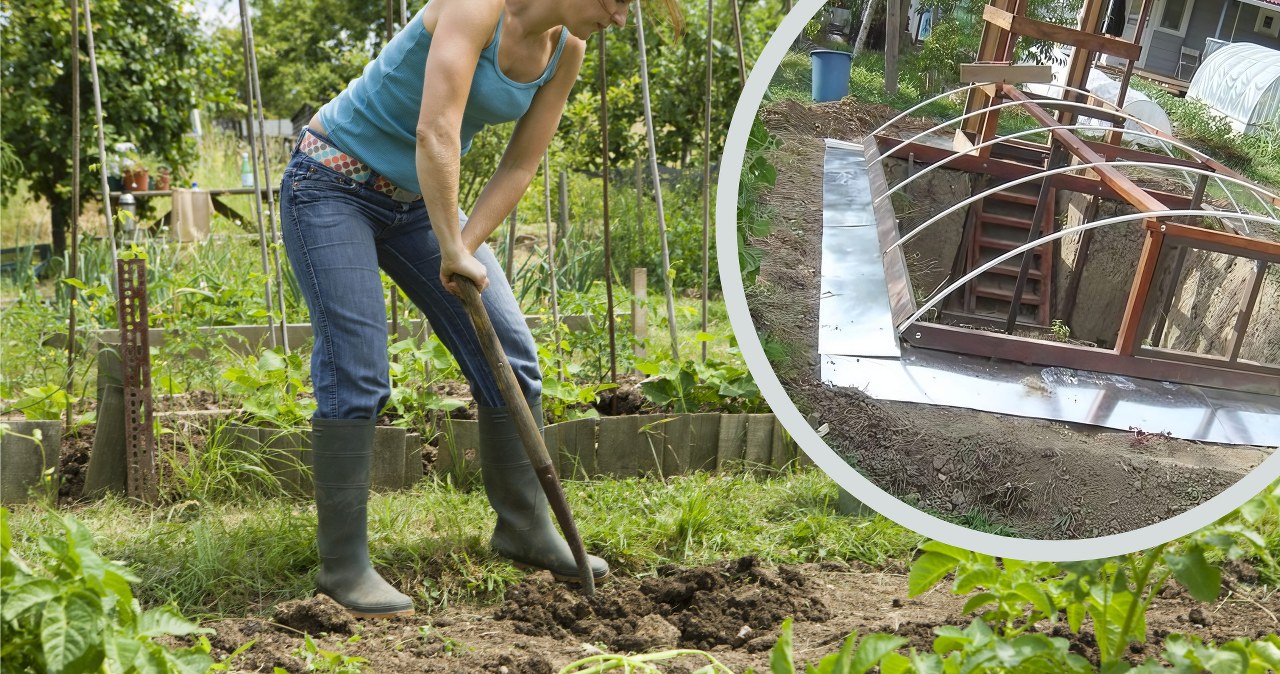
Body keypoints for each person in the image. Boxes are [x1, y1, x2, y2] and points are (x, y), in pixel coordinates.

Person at [279, 0, 681, 619]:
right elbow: (435, 128)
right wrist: (449, 242)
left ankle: (524, 529)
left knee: (512, 355)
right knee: (358, 371)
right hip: (331, 182)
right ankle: (344, 565)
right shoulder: (476, 7)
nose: (622, 20)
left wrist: (461, 248)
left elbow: (520, 164)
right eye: (617, 3)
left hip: (415, 201)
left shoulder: (565, 51)